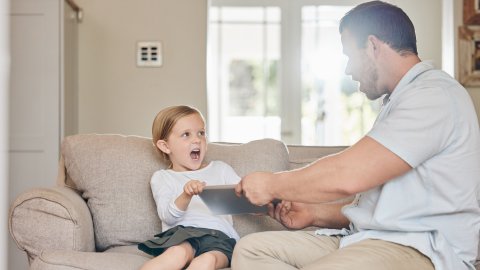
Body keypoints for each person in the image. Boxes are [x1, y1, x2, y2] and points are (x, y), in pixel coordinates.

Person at [233, 1, 480, 270]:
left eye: (350, 55)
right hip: (370, 240)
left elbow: (347, 175)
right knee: (251, 251)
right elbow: (385, 209)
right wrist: (314, 213)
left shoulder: (433, 97)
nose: (348, 70)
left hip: (421, 250)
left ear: (373, 46)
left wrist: (271, 184)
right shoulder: (400, 100)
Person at [138, 105, 240, 270]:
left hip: (219, 238)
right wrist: (185, 195)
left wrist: (261, 205)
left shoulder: (221, 169)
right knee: (177, 254)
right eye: (186, 134)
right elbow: (167, 216)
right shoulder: (162, 177)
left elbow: (246, 195)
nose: (197, 139)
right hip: (182, 235)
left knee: (207, 261)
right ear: (165, 146)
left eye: (201, 133)